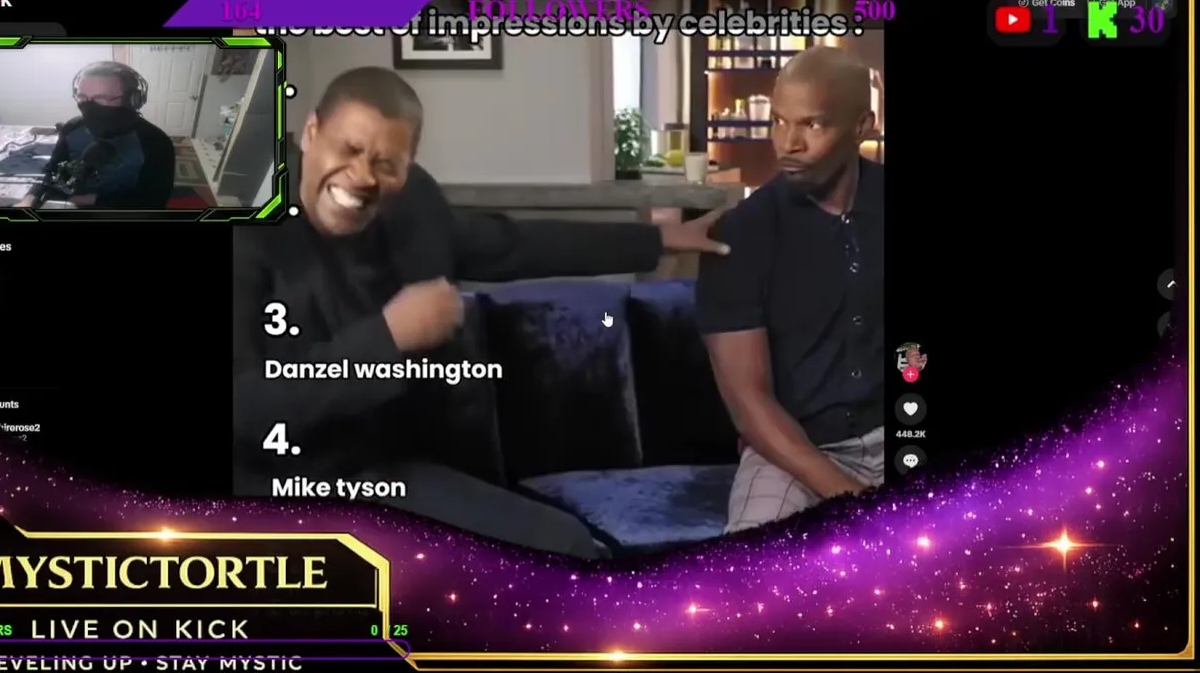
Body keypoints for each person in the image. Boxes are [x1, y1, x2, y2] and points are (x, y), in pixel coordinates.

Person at [231, 66, 729, 558]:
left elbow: (512, 245)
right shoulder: (241, 224)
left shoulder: (413, 207)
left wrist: (659, 239)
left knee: (564, 548)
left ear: (408, 166)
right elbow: (246, 408)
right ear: (311, 133)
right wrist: (390, 336)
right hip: (269, 486)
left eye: (386, 164)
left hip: (385, 468)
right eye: (349, 149)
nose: (362, 177)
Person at [696, 46, 885, 533]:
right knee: (755, 566)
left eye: (812, 124)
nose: (788, 144)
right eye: (778, 122)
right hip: (792, 452)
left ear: (862, 126)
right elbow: (749, 404)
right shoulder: (740, 233)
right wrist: (856, 501)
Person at [16, 61, 175, 209]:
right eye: (82, 97)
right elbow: (51, 172)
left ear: (132, 100)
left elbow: (154, 201)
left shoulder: (156, 142)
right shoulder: (72, 128)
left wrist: (89, 200)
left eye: (102, 98)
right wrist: (30, 199)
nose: (89, 105)